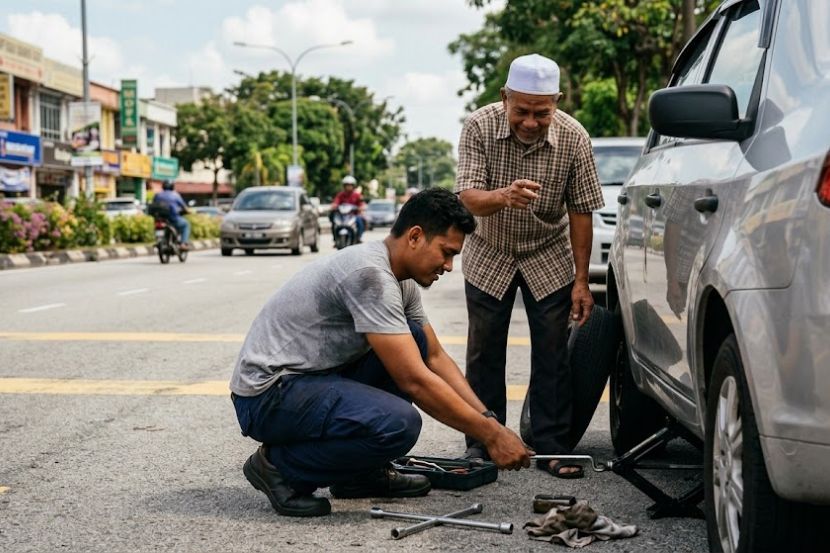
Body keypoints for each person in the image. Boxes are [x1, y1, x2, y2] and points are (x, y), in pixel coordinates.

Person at [229, 188, 531, 517]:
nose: (448, 266)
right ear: (415, 236)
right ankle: (279, 468)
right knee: (397, 424)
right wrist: (490, 436)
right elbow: (414, 380)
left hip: (308, 380)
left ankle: (360, 474)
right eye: (446, 252)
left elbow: (434, 357)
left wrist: (490, 422)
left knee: (413, 339)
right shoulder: (370, 275)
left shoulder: (401, 281)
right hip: (268, 395)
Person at [454, 53, 604, 479]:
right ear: (504, 98)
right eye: (521, 111)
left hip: (547, 253)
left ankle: (552, 445)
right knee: (484, 352)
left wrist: (581, 280)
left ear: (557, 102)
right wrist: (503, 196)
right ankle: (484, 442)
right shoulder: (479, 126)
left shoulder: (575, 137)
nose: (531, 121)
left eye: (542, 112)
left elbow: (582, 211)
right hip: (490, 250)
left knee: (553, 352)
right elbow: (466, 195)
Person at [150, 181, 191, 248]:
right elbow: (184, 207)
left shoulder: (157, 195)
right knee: (186, 224)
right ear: (172, 187)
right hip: (173, 218)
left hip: (160, 219)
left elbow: (153, 204)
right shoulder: (175, 195)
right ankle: (183, 244)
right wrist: (188, 211)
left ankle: (158, 240)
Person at [330, 175, 365, 243]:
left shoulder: (357, 195)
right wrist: (334, 206)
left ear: (353, 186)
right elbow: (335, 202)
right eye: (347, 185)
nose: (348, 187)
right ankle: (335, 238)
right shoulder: (340, 195)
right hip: (342, 216)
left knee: (360, 221)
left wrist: (361, 208)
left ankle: (358, 237)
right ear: (344, 186)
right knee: (334, 221)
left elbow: (361, 204)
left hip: (353, 215)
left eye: (350, 185)